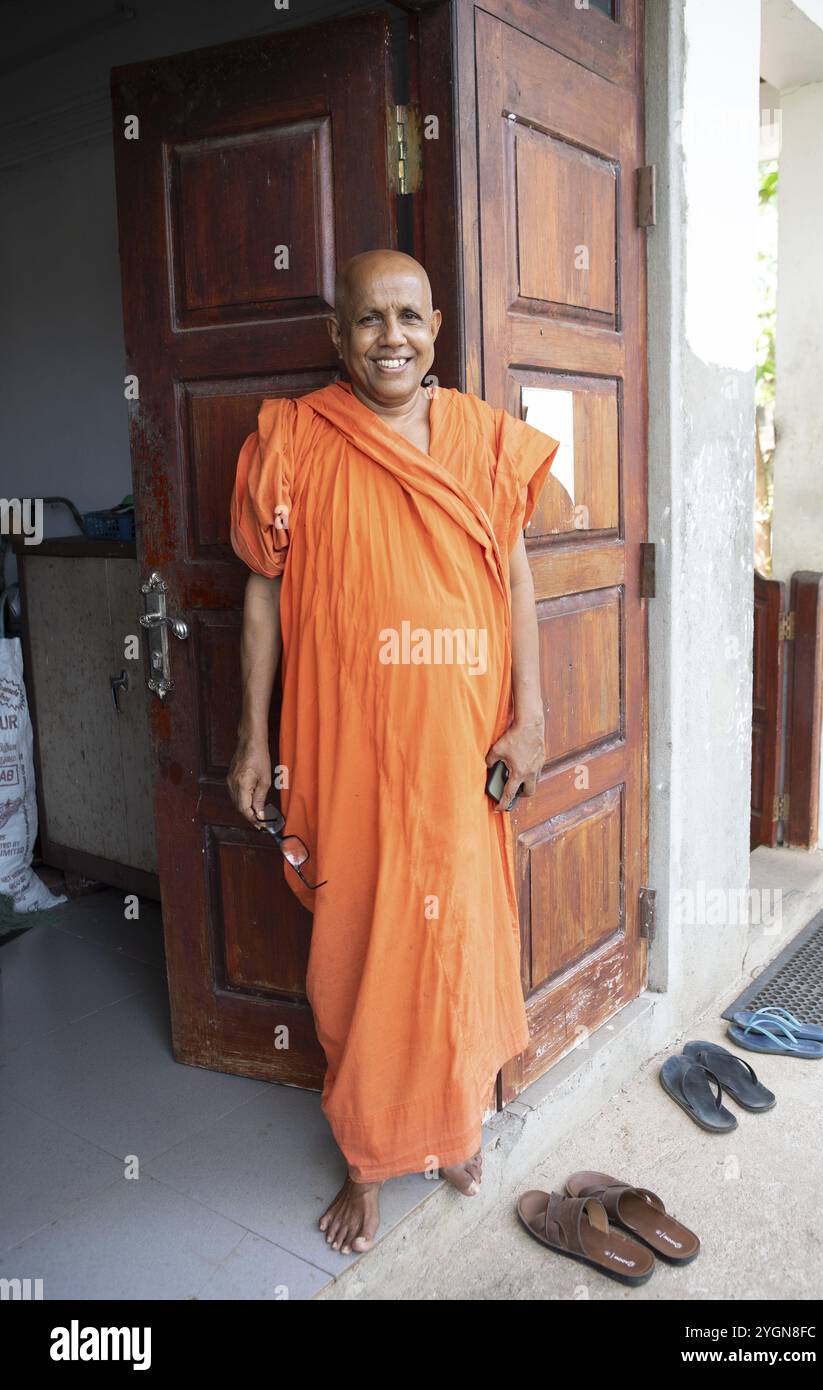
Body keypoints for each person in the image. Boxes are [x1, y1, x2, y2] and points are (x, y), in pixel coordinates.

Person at [227, 249, 558, 1256]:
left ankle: (453, 1128)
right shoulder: (292, 440)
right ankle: (370, 1161)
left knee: (454, 942)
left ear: (436, 326)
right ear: (339, 336)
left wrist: (531, 713)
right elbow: (261, 591)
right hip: (346, 753)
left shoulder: (478, 441)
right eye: (369, 320)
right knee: (361, 954)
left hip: (458, 751)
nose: (391, 338)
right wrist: (251, 733)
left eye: (408, 317)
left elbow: (514, 573)